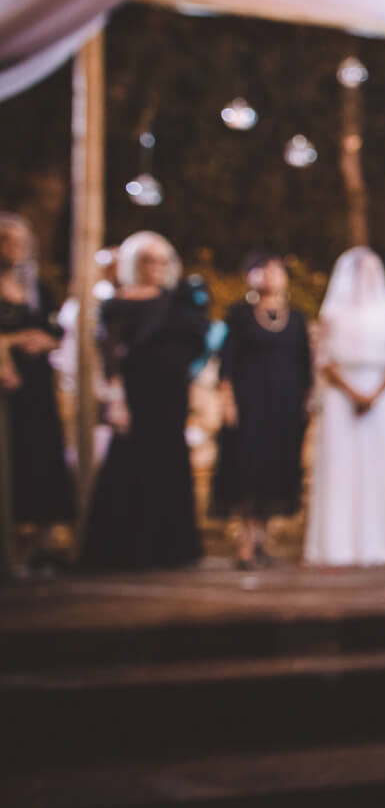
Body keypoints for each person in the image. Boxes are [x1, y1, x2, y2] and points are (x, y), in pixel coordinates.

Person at [80, 232, 208, 571]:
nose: (156, 267)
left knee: (168, 463)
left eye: (163, 261)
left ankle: (170, 548)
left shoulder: (179, 302)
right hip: (135, 393)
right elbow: (110, 356)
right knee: (129, 464)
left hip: (169, 394)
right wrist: (116, 397)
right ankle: (124, 548)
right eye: (149, 260)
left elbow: (196, 344)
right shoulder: (116, 304)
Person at [304, 247, 385, 567]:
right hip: (342, 396)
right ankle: (339, 544)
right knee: (341, 469)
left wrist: (375, 393)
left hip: (380, 396)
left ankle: (382, 543)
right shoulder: (333, 313)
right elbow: (324, 360)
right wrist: (353, 393)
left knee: (380, 468)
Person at [210, 252, 311, 569]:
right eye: (262, 270)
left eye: (276, 271)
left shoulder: (296, 318)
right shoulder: (239, 315)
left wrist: (306, 402)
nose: (270, 276)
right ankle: (246, 543)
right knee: (248, 471)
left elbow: (305, 364)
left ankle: (262, 541)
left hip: (285, 406)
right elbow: (226, 362)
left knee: (275, 472)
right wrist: (228, 401)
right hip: (250, 405)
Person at [0, 214, 74, 573]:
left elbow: (57, 332)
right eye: (4, 239)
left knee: (41, 456)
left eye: (18, 241)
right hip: (6, 384)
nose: (12, 248)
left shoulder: (39, 290)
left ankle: (39, 546)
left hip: (36, 384)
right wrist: (12, 342)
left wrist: (44, 341)